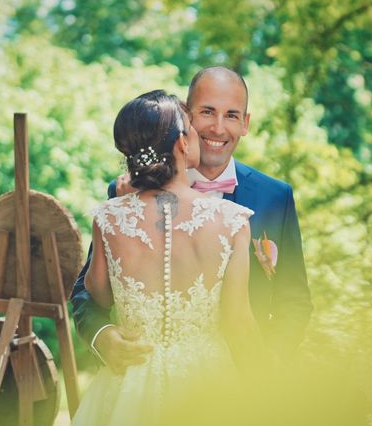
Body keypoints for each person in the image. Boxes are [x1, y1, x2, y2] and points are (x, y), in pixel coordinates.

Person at [50, 90, 261, 426]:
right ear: (182, 143)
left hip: (129, 379)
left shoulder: (109, 217)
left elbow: (96, 292)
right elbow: (237, 321)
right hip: (206, 382)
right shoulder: (232, 222)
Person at [72, 67, 312, 371]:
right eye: (208, 112)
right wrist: (102, 338)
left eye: (232, 115)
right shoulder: (124, 195)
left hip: (244, 386)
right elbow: (87, 293)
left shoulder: (275, 197)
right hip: (143, 373)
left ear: (245, 123)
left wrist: (269, 365)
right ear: (186, 116)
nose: (219, 128)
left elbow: (294, 299)